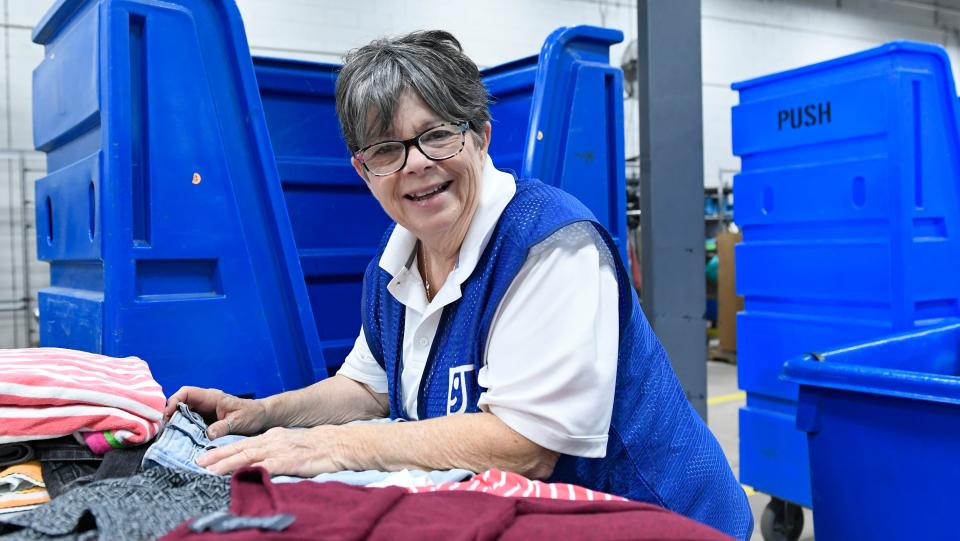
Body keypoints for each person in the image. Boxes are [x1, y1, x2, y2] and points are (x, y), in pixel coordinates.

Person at [165, 30, 753, 539]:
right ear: (363, 172)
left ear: (481, 136)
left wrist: (336, 448)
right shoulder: (394, 266)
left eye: (437, 135)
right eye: (386, 150)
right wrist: (265, 413)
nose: (416, 163)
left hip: (662, 521)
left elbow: (525, 444)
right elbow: (366, 390)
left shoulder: (550, 246)